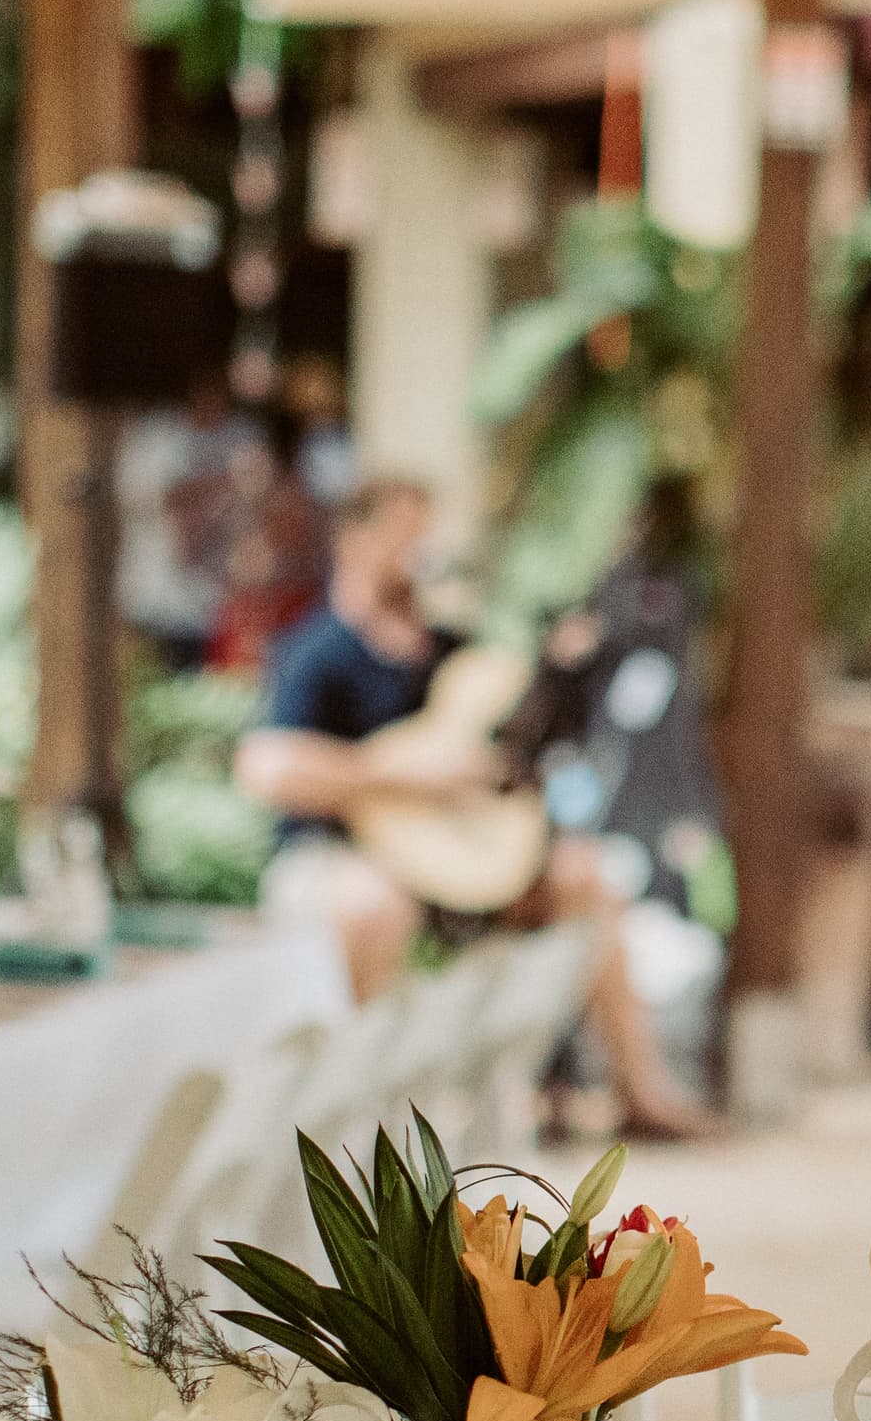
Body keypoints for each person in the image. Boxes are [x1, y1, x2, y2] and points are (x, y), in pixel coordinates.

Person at [235, 476, 719, 1138]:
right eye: (406, 531)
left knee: (584, 877)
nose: (422, 550)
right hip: (348, 851)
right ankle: (370, 1113)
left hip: (460, 858)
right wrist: (395, 775)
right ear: (358, 539)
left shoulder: (450, 651)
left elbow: (508, 750)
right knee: (373, 906)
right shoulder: (316, 652)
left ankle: (639, 1091)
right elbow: (267, 766)